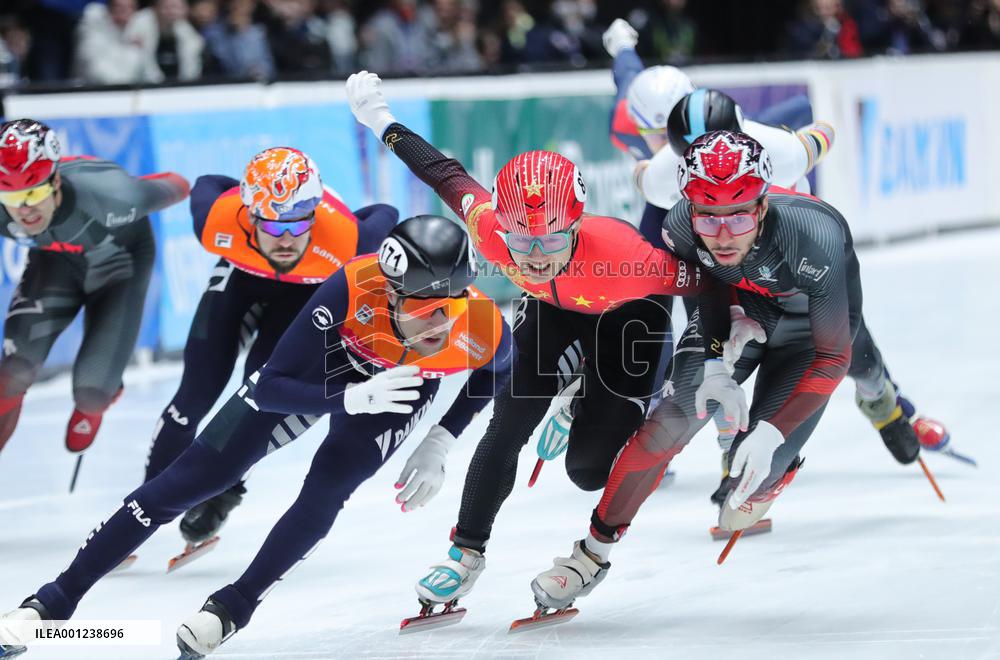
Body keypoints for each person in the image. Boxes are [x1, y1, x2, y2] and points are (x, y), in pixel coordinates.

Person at [1, 215, 513, 659]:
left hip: (402, 388)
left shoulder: (481, 324)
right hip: (324, 370)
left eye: (449, 307)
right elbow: (269, 387)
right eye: (423, 311)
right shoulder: (353, 286)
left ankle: (234, 606)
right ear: (391, 292)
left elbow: (498, 371)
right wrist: (350, 398)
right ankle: (51, 602)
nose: (437, 325)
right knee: (182, 483)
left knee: (328, 489)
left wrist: (441, 439)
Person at [346, 70, 711, 619]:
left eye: (550, 239)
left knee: (588, 471)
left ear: (577, 225)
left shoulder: (630, 258)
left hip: (629, 320)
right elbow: (441, 171)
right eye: (521, 240)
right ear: (502, 228)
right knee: (507, 424)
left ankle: (586, 395)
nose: (535, 256)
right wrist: (379, 117)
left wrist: (715, 357)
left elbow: (712, 282)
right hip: (555, 312)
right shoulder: (489, 227)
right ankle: (464, 555)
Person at [526, 131, 927, 611]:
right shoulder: (680, 225)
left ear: (762, 206)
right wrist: (717, 356)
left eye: (738, 216)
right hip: (742, 314)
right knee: (668, 424)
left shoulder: (814, 236)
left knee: (853, 369)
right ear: (689, 208)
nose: (722, 235)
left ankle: (879, 401)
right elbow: (706, 282)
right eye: (708, 217)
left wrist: (772, 432)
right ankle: (590, 555)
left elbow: (831, 358)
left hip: (811, 333)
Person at [144, 147, 396, 555]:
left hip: (302, 296)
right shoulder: (216, 220)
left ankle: (225, 494)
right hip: (240, 281)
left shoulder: (349, 238)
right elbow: (209, 183)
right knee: (195, 394)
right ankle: (145, 500)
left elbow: (385, 211)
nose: (286, 240)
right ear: (249, 215)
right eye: (275, 227)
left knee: (259, 396)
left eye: (299, 226)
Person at [0, 119, 189, 456]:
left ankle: (99, 396)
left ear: (56, 180)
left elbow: (178, 184)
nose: (25, 210)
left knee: (92, 393)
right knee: (14, 372)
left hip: (120, 267)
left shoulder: (114, 198)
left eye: (34, 193)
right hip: (55, 263)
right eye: (11, 197)